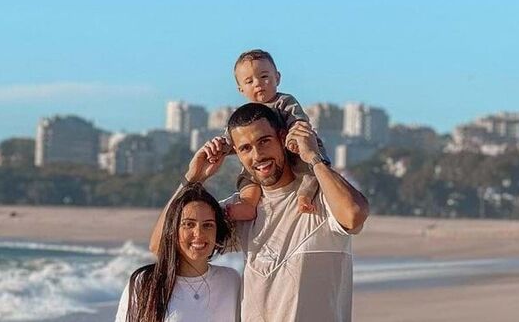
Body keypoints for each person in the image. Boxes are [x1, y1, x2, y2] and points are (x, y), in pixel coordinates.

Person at [152, 102, 369, 321]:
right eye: (245, 148)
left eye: (264, 141)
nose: (257, 155)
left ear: (282, 138)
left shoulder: (318, 196)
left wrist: (313, 157)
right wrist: (193, 178)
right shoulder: (242, 209)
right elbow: (162, 244)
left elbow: (354, 214)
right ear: (237, 153)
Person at [225, 49, 331, 219]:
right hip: (265, 159)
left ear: (277, 78)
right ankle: (248, 204)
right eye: (249, 81)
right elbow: (232, 140)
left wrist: (294, 138)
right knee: (248, 176)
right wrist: (220, 148)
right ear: (241, 89)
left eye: (264, 76)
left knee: (308, 172)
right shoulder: (244, 115)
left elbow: (299, 122)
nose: (258, 84)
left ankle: (305, 196)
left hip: (297, 151)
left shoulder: (284, 102)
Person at [118, 183, 240, 322]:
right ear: (173, 230)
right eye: (189, 224)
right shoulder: (145, 283)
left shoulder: (231, 280)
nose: (198, 233)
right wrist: (190, 178)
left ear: (217, 232)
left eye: (208, 225)